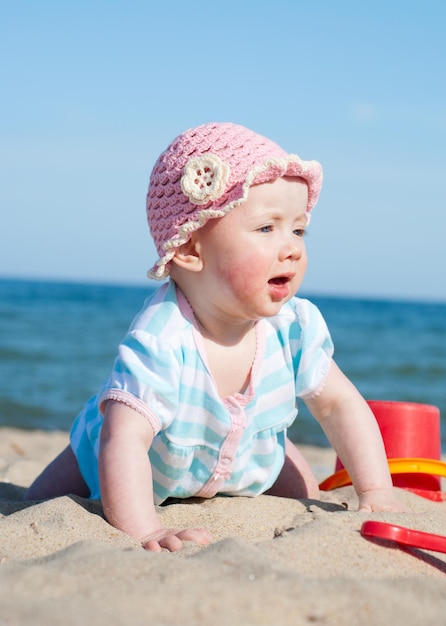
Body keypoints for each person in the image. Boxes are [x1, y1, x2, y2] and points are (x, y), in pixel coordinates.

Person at [26, 122, 404, 551]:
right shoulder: (163, 338)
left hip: (249, 456)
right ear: (189, 248)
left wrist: (374, 491)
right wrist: (146, 530)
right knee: (40, 496)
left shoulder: (294, 326)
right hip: (135, 464)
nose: (293, 248)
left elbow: (339, 403)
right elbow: (125, 439)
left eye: (298, 230)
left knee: (306, 495)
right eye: (267, 229)